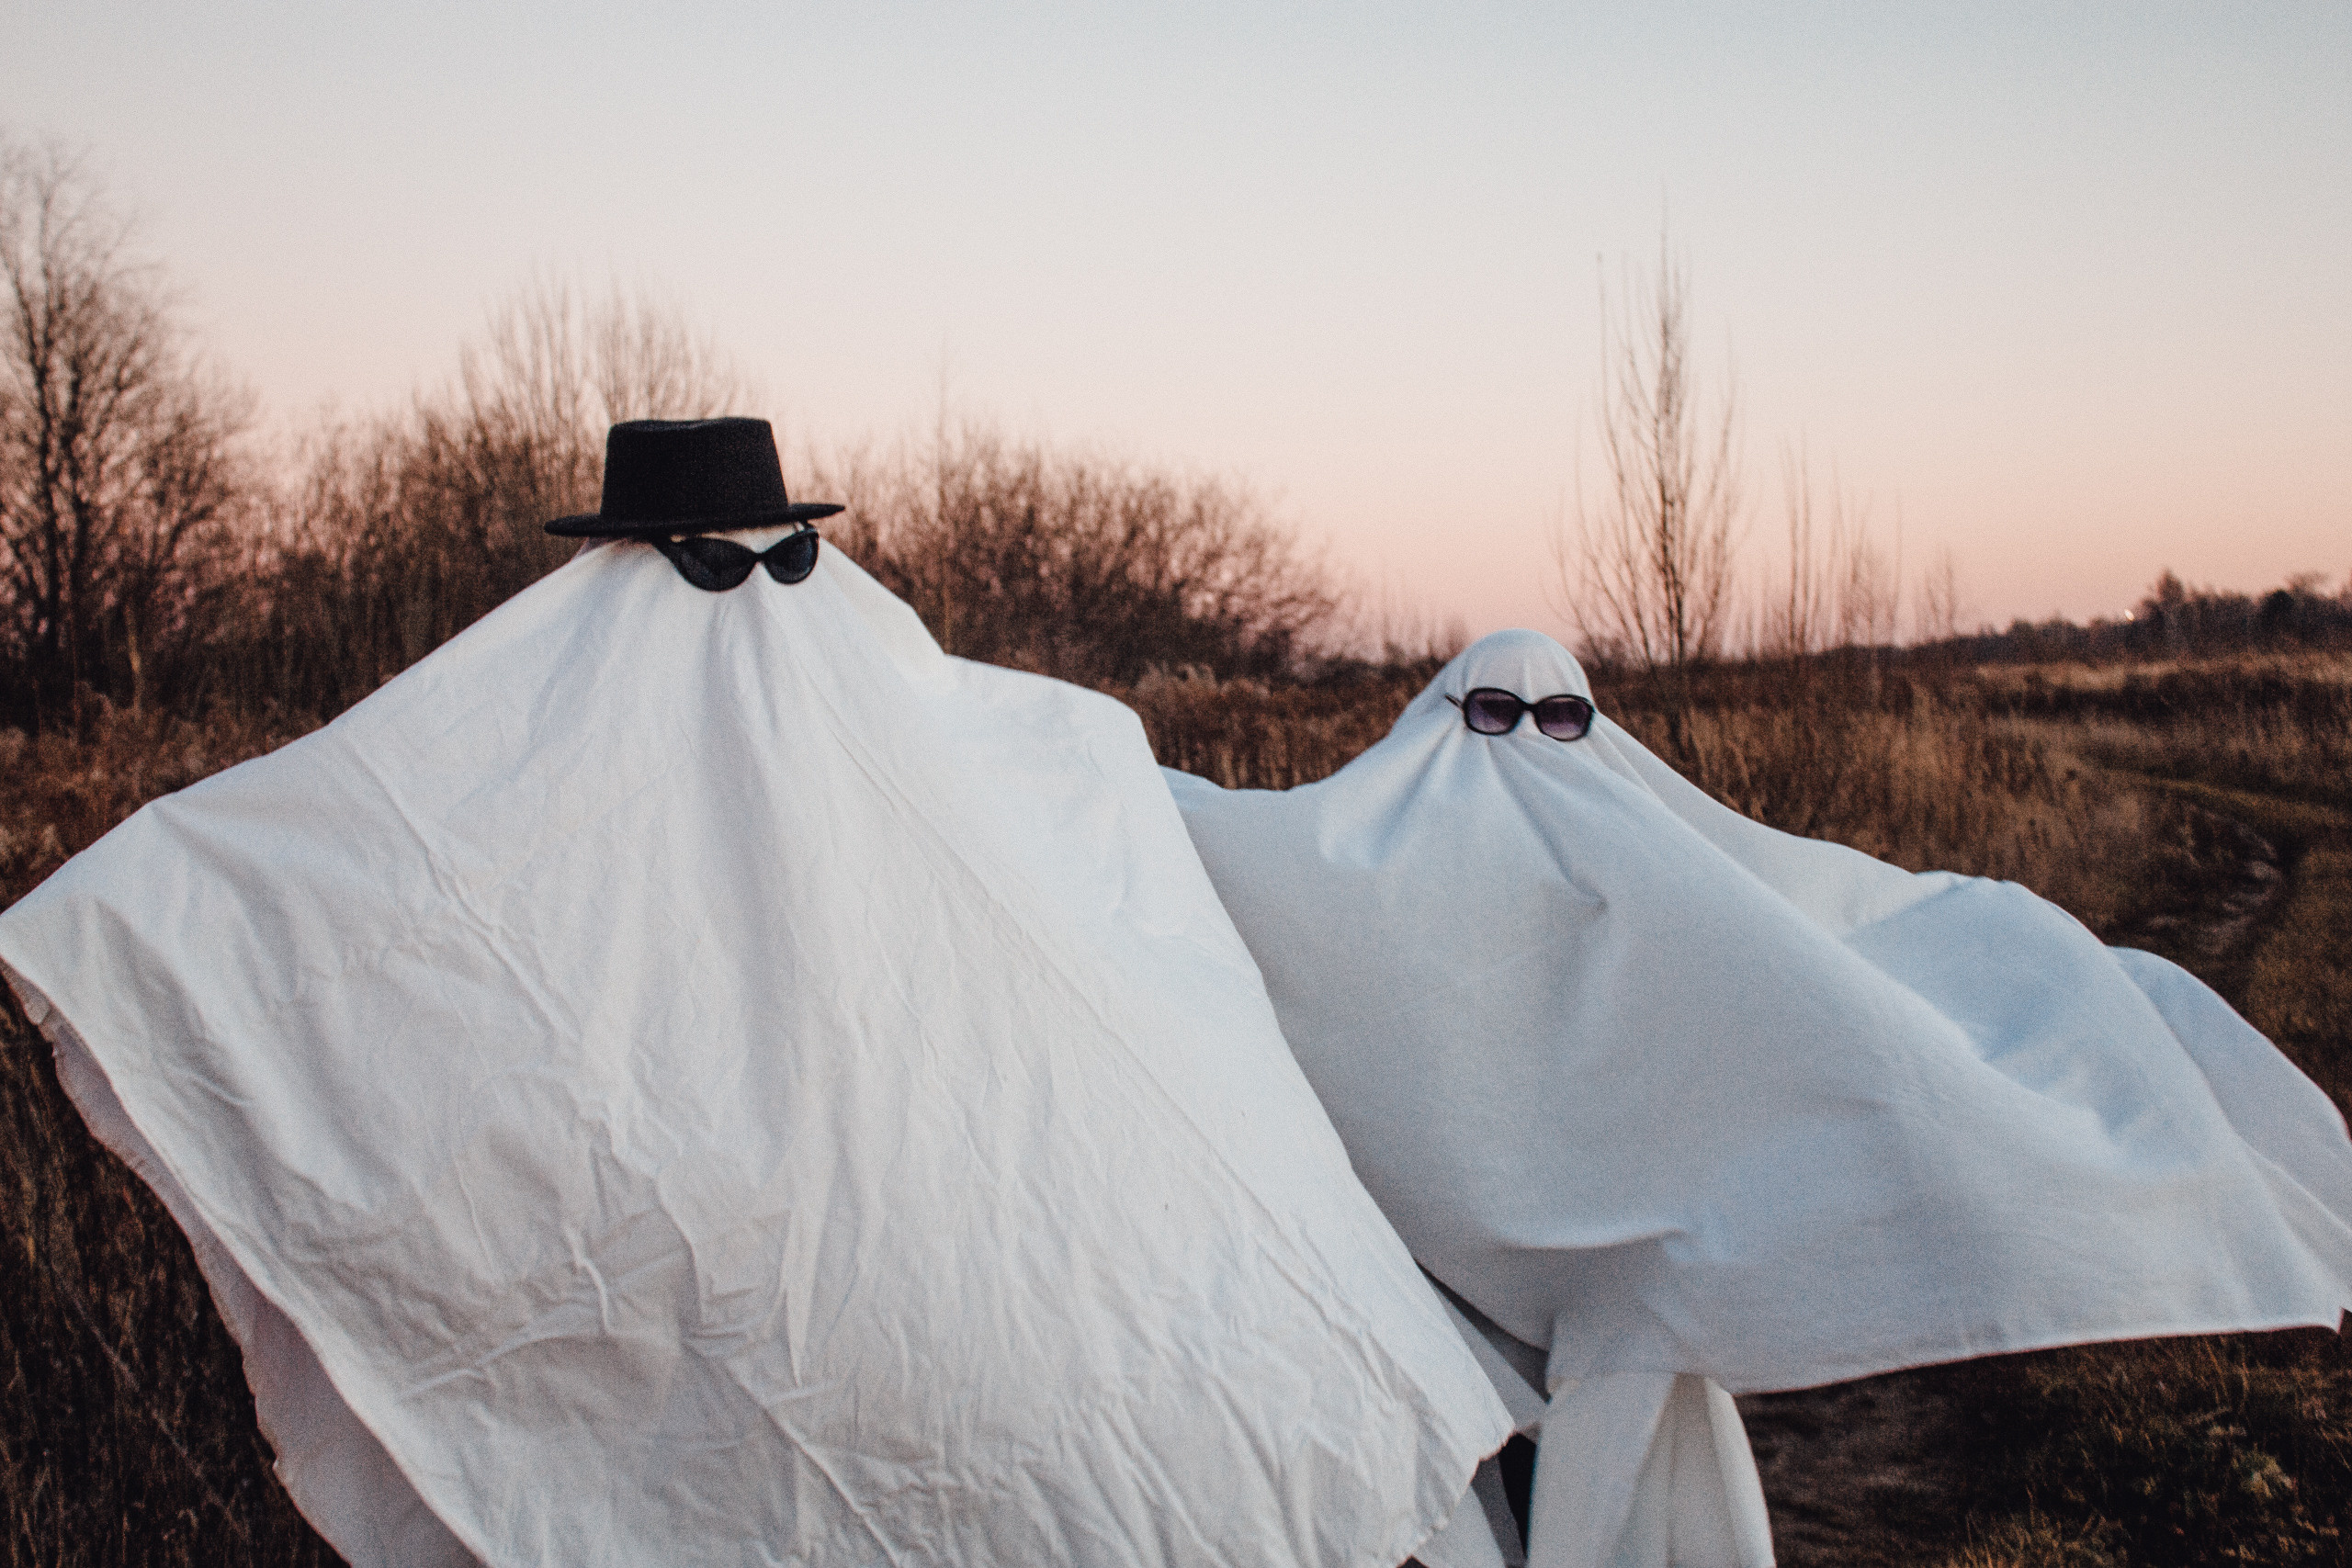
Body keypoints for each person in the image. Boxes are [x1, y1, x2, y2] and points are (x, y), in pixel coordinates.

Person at [0, 419, 1512, 1567]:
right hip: (811, 1264)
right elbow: (376, 855)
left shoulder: (869, 711)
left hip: (925, 1253)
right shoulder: (625, 696)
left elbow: (389, 853)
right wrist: (127, 930)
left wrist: (119, 923)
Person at [1164, 626, 2352, 1568]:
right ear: (1433, 727)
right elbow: (1219, 848)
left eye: (1562, 718)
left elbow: (1835, 958)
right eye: (1491, 715)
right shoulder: (1362, 881)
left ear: (1597, 728)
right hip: (1438, 1336)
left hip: (1627, 1331)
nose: (1528, 745)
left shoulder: (1677, 891)